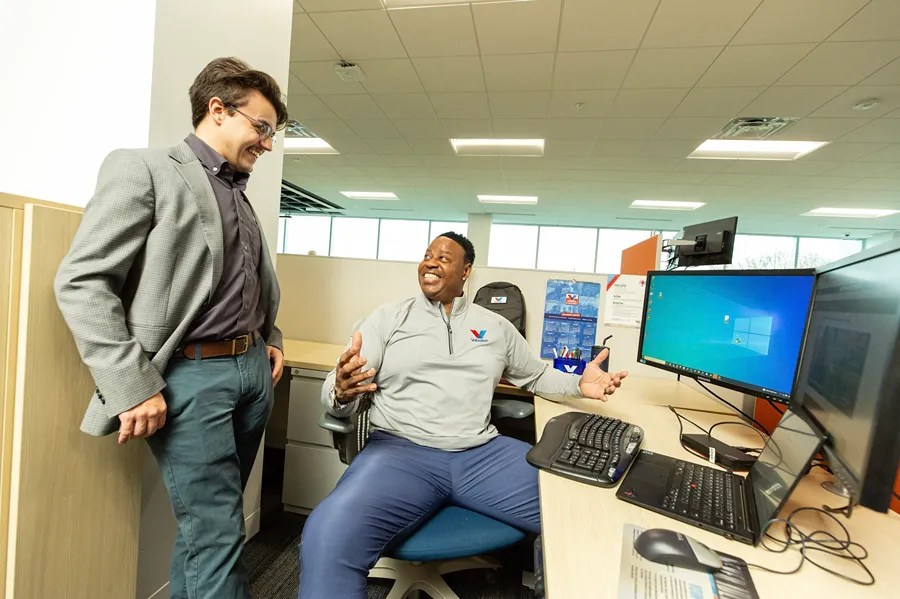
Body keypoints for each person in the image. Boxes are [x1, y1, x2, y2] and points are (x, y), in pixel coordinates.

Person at [54, 57, 289, 599]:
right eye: (262, 127)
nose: (267, 144)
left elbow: (243, 283)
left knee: (208, 527)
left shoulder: (238, 190)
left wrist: (268, 340)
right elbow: (82, 281)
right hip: (191, 377)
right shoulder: (144, 168)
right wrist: (133, 385)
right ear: (217, 110)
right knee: (219, 534)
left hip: (251, 373)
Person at [298, 232, 628, 598]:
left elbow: (534, 374)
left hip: (481, 455)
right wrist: (340, 392)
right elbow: (341, 380)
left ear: (466, 271)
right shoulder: (386, 319)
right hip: (400, 454)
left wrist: (580, 385)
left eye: (443, 257)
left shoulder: (497, 328)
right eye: (427, 255)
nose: (431, 262)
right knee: (327, 534)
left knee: (584, 506)